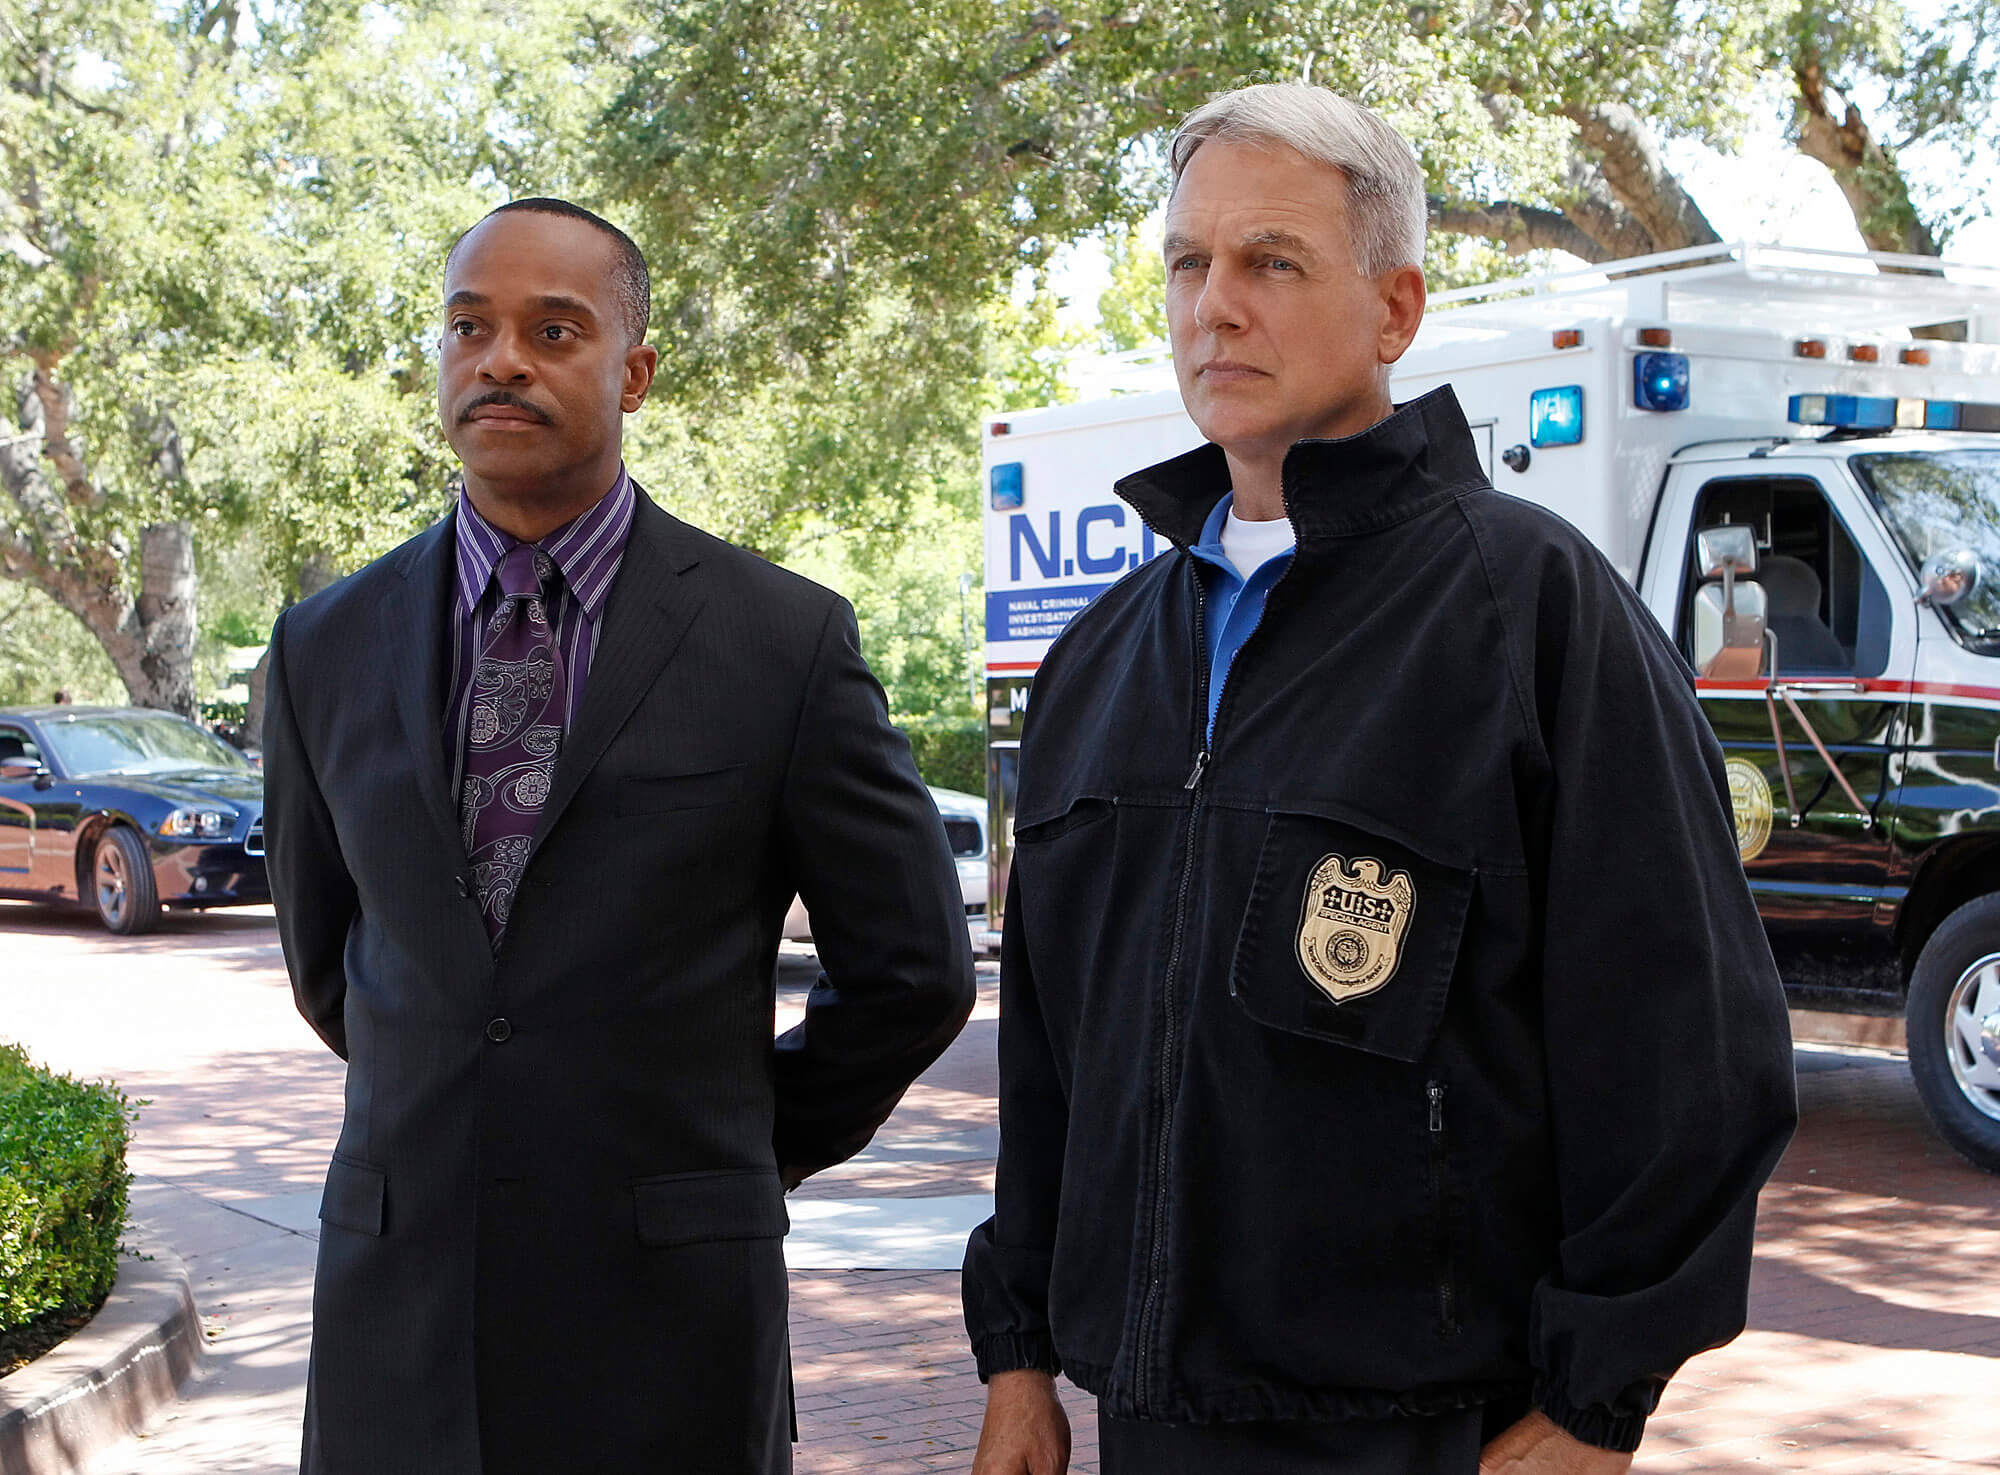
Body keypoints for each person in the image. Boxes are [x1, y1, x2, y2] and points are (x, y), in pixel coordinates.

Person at [961, 85, 1796, 1475]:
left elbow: (1686, 1033)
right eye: (1188, 262)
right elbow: (1055, 1052)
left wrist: (1602, 1396)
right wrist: (1021, 1351)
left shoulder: (1530, 608)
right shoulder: (1100, 659)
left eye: (1271, 261)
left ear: (1396, 310)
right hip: (1148, 1426)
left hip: (1429, 1427)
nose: (1214, 305)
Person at [264, 198, 975, 1475]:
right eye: (468, 327)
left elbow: (913, 967)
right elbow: (337, 967)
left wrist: (730, 1147)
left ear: (633, 372)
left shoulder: (781, 641)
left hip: (670, 1334)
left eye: (552, 329)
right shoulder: (323, 645)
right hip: (395, 1326)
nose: (500, 360)